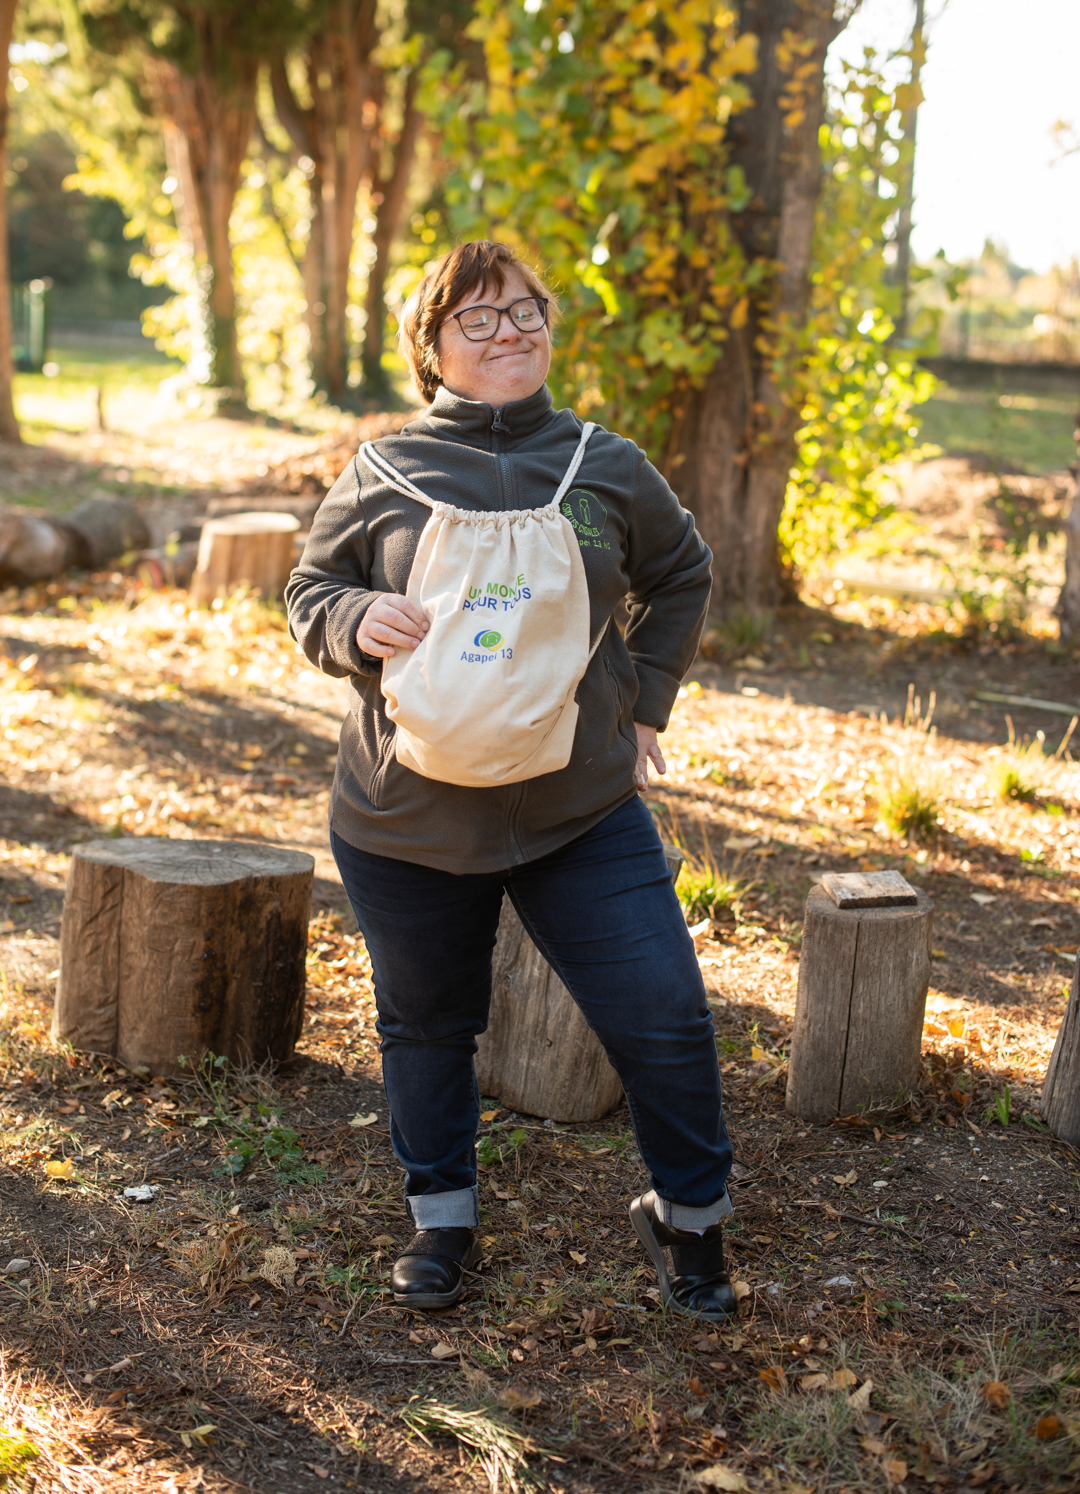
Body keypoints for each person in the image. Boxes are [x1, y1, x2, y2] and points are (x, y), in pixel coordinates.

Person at [285, 240, 736, 1320]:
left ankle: (691, 1221)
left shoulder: (603, 465)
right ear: (431, 347)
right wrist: (354, 617)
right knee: (429, 1025)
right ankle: (441, 1222)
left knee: (665, 1017)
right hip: (408, 817)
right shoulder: (381, 472)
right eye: (478, 318)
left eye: (526, 309)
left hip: (579, 811)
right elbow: (309, 592)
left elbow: (682, 572)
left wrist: (644, 704)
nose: (510, 331)